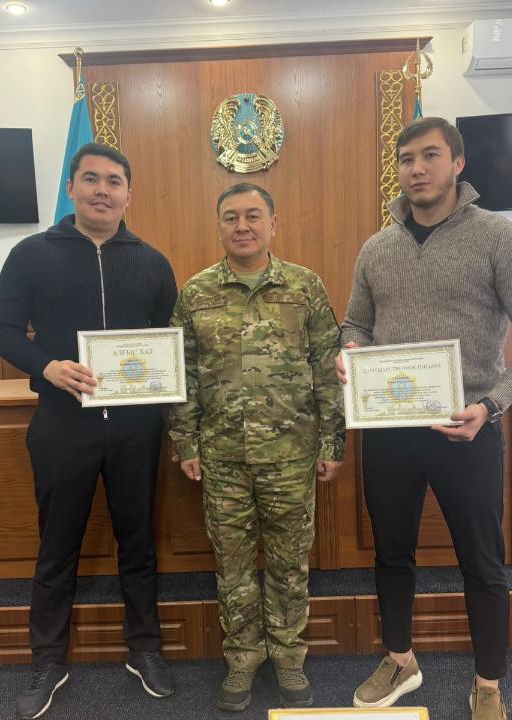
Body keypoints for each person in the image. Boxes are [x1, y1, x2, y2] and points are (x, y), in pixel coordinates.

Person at [338, 117, 512, 720]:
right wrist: (350, 349)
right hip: (389, 430)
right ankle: (400, 660)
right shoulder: (377, 248)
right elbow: (355, 324)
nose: (416, 168)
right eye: (406, 158)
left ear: (458, 163)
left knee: (481, 562)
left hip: (469, 428)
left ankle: (488, 684)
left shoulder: (499, 238)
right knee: (391, 553)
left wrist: (492, 404)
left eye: (430, 155)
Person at [0, 142, 178, 720]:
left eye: (114, 181)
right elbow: (1, 331)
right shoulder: (31, 254)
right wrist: (46, 366)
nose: (102, 190)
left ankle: (144, 649)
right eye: (91, 179)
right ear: (71, 187)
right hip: (62, 424)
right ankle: (48, 660)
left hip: (136, 428)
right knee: (57, 545)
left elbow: (168, 342)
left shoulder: (152, 262)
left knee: (138, 541)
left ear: (128, 194)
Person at [168, 182, 346, 712]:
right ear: (219, 226)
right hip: (221, 458)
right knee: (233, 566)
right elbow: (182, 375)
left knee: (290, 564)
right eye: (230, 217)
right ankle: (243, 658)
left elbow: (327, 369)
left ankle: (289, 656)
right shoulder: (196, 293)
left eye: (252, 215)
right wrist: (185, 441)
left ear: (273, 223)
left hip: (291, 456)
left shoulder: (304, 287)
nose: (241, 226)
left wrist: (333, 441)